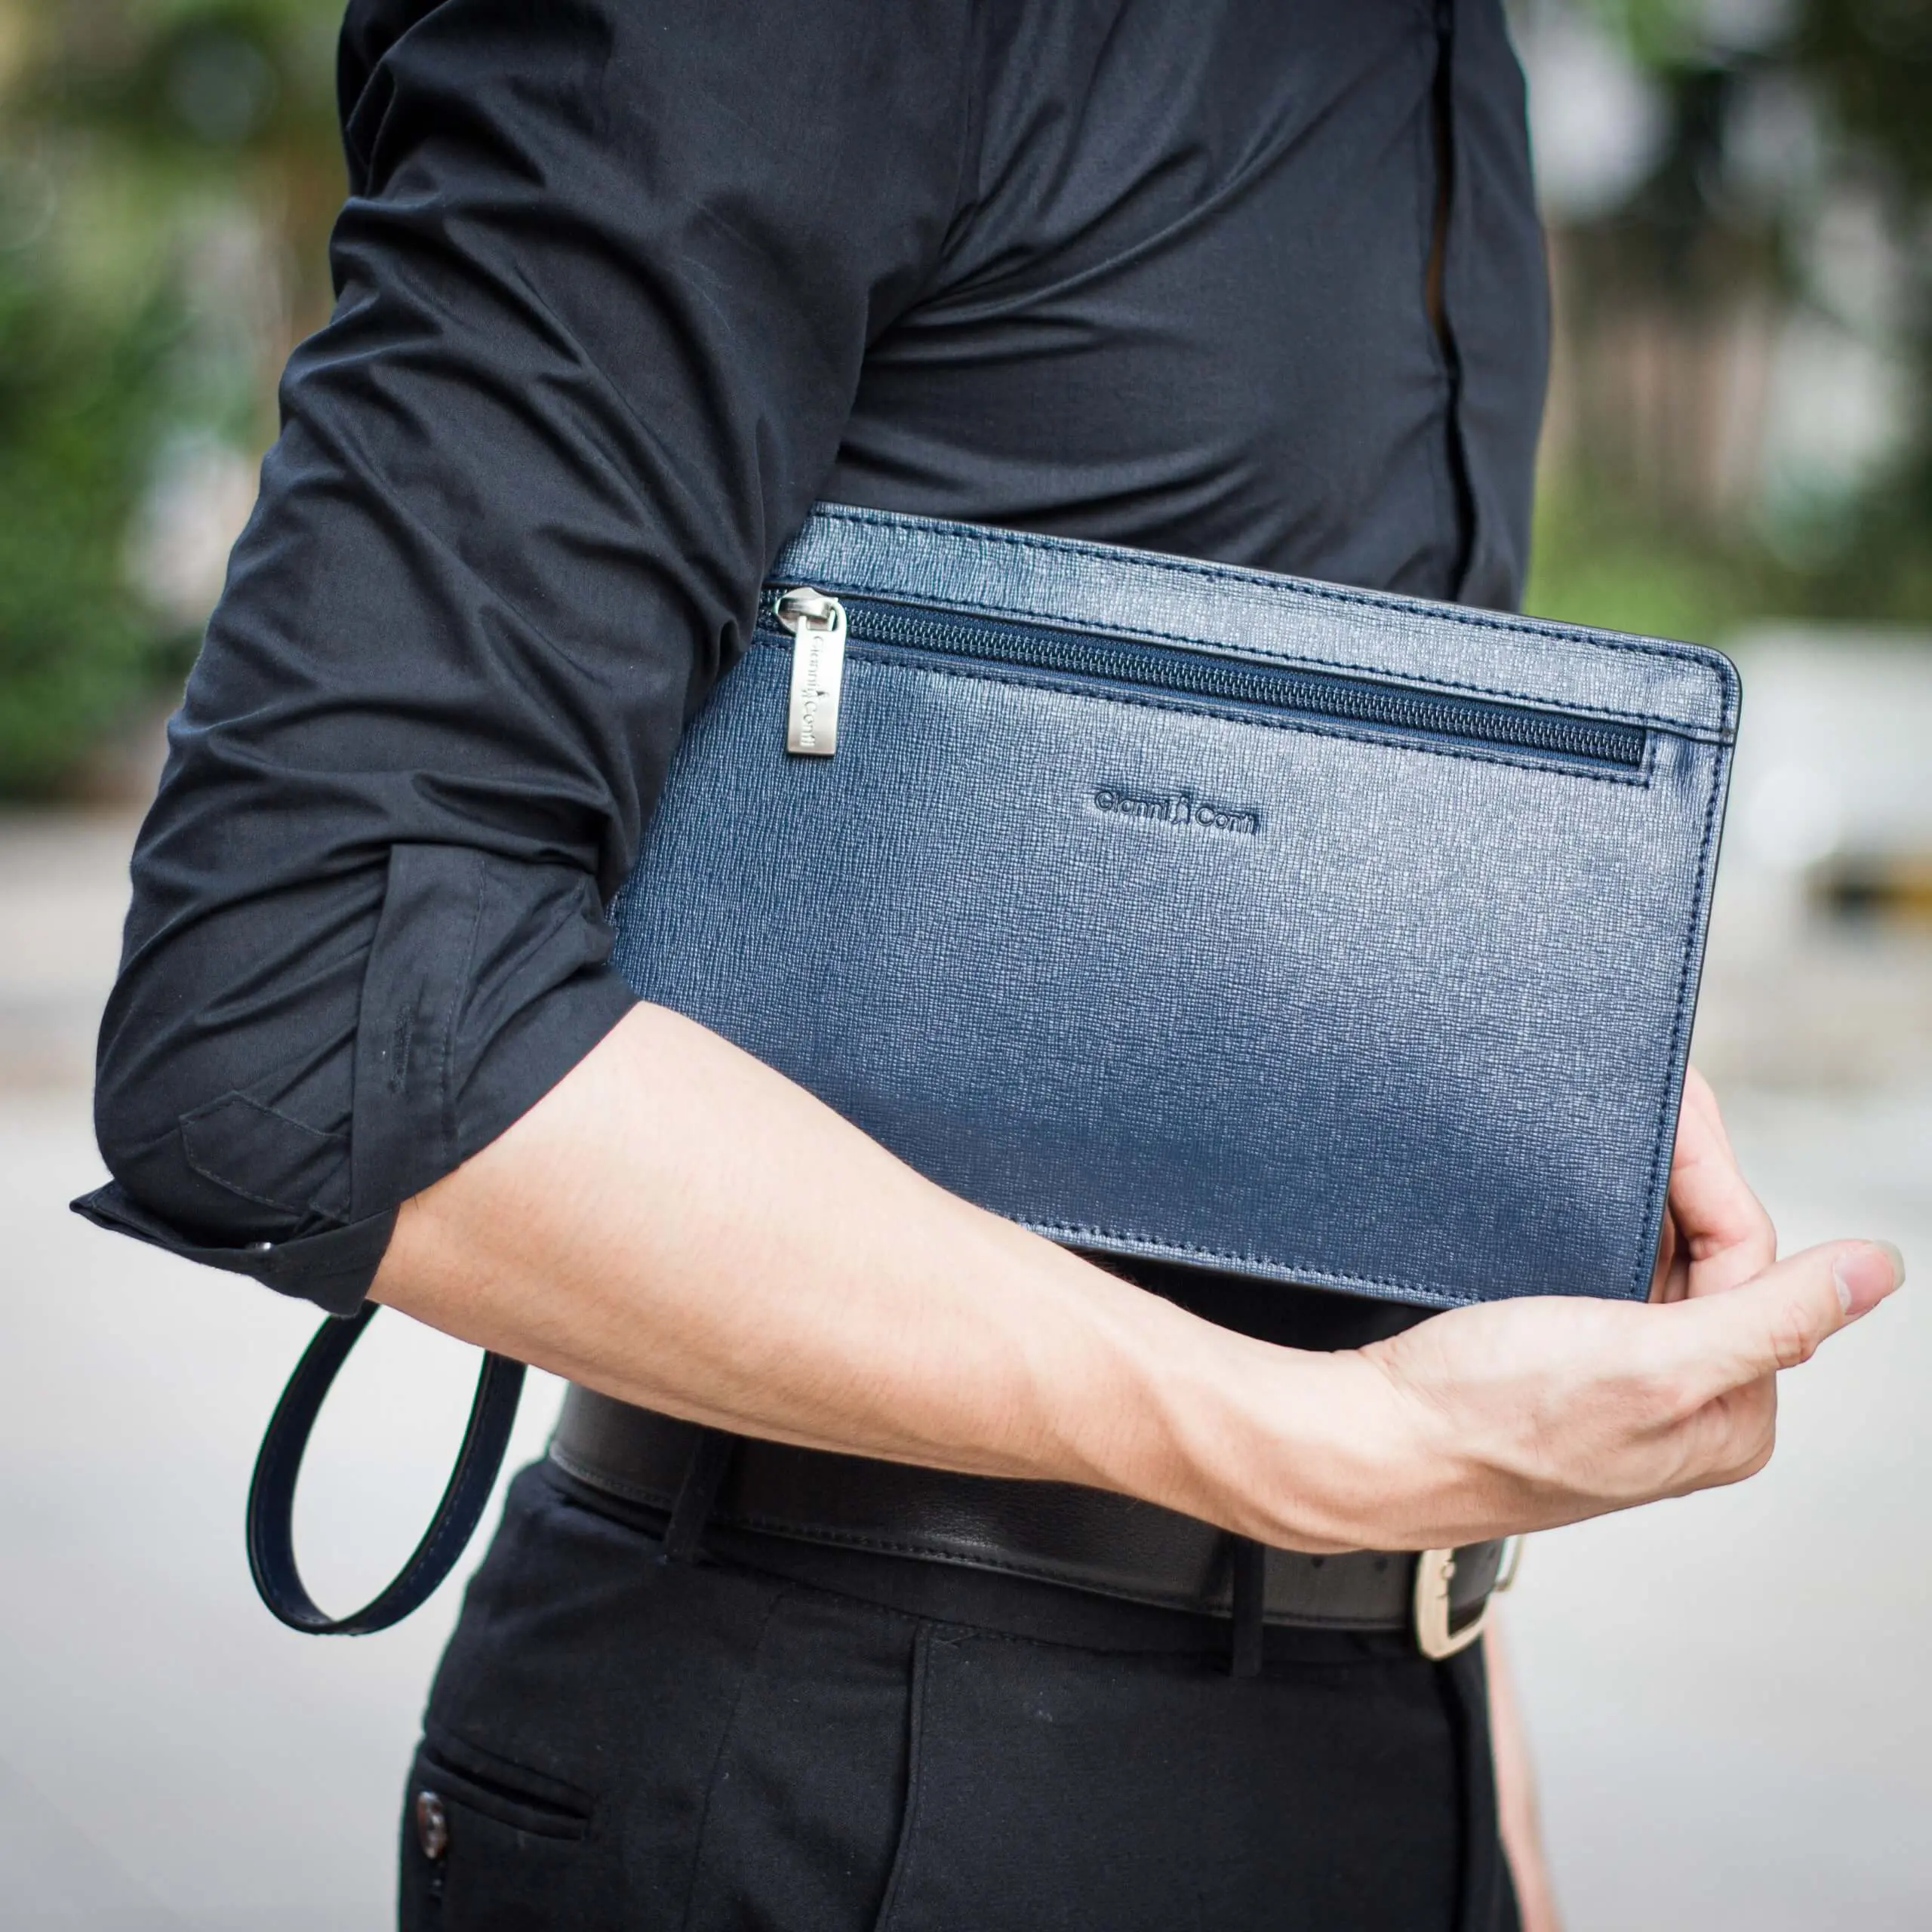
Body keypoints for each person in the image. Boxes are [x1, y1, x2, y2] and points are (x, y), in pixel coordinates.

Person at [77, 3, 1903, 1927]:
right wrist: (1337, 1446)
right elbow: (298, 1007)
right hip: (853, 1765)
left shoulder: (1443, 56)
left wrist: (1485, 1777)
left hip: (1394, 1733)